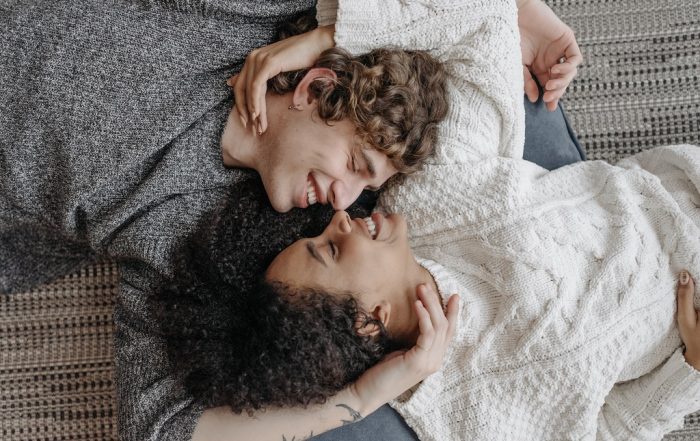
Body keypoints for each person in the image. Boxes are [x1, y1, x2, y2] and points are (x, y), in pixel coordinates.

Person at [0, 1, 583, 441]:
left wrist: (365, 395)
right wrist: (524, 13)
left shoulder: (201, 238)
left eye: (364, 189)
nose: (343, 201)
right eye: (355, 164)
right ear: (316, 87)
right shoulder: (248, 22)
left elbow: (162, 430)